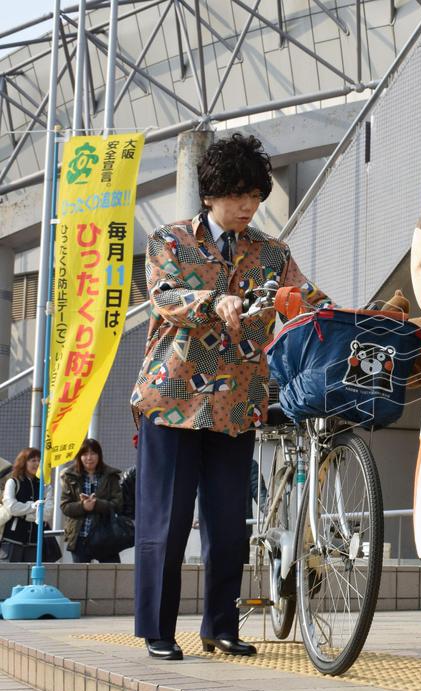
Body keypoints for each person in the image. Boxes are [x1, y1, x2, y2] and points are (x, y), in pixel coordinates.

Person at [130, 133, 331, 661]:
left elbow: (307, 300)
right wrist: (213, 300)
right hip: (172, 401)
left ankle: (220, 626)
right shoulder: (170, 240)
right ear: (210, 194)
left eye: (255, 196)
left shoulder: (273, 253)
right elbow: (165, 296)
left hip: (238, 406)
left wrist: (349, 317)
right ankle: (157, 630)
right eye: (238, 194)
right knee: (166, 525)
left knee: (227, 528)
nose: (247, 206)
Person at [60, 439, 124, 564]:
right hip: (79, 537)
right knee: (81, 575)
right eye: (85, 454)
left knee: (112, 573)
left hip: (106, 536)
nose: (89, 458)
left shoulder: (111, 475)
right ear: (79, 457)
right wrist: (83, 506)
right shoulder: (70, 475)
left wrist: (97, 504)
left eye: (93, 453)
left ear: (99, 455)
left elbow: (118, 504)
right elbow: (65, 506)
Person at [0, 447, 55, 562]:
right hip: (12, 539)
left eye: (39, 460)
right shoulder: (13, 482)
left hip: (35, 541)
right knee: (9, 572)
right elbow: (11, 507)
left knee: (31, 573)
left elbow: (47, 513)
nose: (37, 464)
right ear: (23, 462)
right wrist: (33, 506)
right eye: (33, 460)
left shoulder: (45, 486)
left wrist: (24, 515)